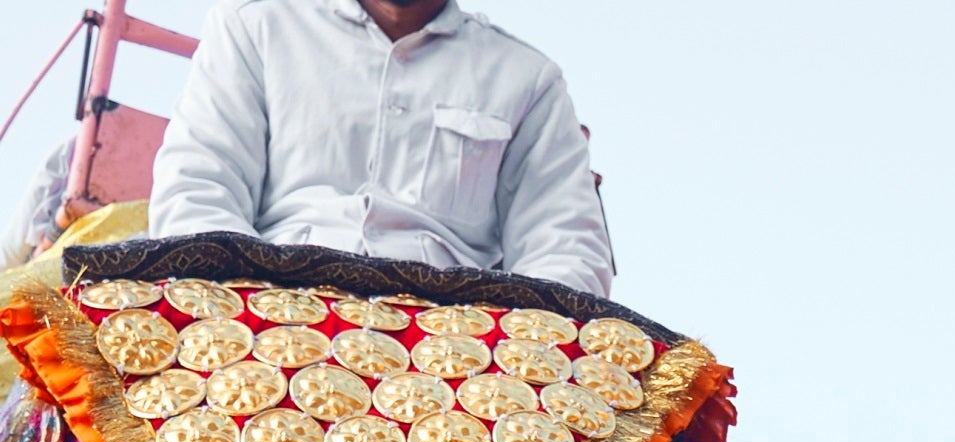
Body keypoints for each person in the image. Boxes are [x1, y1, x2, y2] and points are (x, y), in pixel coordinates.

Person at [146, 0, 614, 297]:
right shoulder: (255, 28)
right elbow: (198, 192)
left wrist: (498, 356)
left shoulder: (526, 80)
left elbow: (567, 251)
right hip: (268, 321)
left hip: (459, 362)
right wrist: (251, 312)